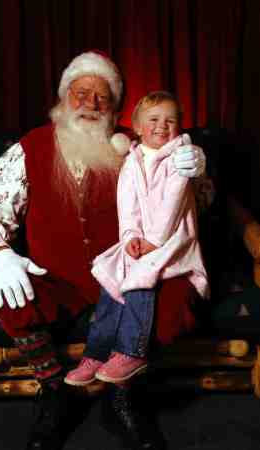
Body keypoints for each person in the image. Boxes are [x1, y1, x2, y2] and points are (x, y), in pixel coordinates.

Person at [0, 52, 207, 450]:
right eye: (82, 94)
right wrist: (0, 255)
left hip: (125, 279)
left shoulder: (140, 147)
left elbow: (197, 201)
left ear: (116, 109)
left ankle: (124, 393)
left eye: (103, 97)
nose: (91, 105)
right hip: (57, 280)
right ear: (64, 99)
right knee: (11, 300)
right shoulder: (30, 148)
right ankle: (53, 389)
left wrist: (197, 171)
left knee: (179, 299)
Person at [64, 91, 210, 390]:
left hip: (173, 239)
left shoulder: (180, 157)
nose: (162, 126)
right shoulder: (132, 160)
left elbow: (172, 204)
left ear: (180, 127)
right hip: (142, 239)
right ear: (138, 127)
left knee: (141, 274)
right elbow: (126, 205)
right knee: (111, 273)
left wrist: (153, 243)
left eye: (170, 120)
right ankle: (96, 353)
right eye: (153, 120)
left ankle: (132, 351)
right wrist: (130, 236)